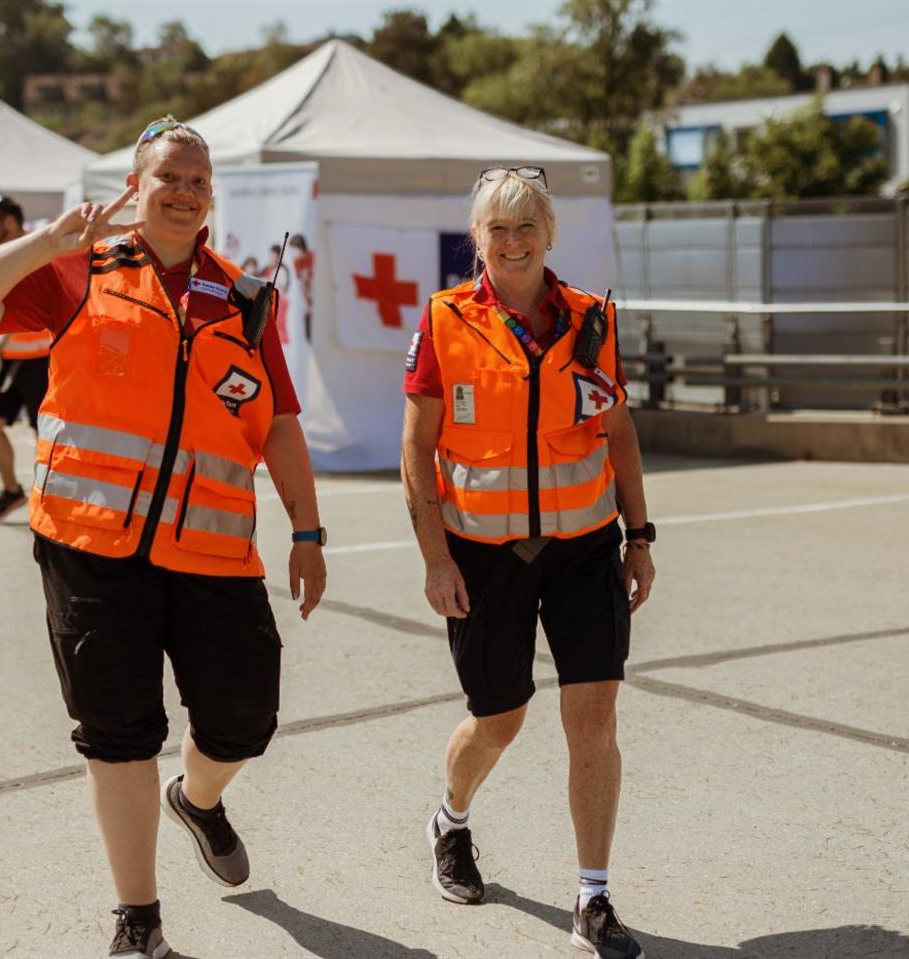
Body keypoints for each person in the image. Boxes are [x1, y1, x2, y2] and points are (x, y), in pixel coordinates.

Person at [0, 117, 328, 959]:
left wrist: (307, 527)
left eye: (197, 179)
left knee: (242, 720)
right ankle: (139, 916)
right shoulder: (79, 269)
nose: (183, 192)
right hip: (88, 547)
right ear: (135, 186)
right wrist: (46, 241)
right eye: (167, 178)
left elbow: (281, 423)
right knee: (116, 732)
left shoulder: (246, 297)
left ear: (210, 193)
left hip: (213, 553)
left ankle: (199, 795)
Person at [400, 166, 656, 959]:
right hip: (483, 556)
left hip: (584, 550)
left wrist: (639, 535)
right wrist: (436, 559)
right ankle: (451, 817)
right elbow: (415, 447)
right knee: (498, 718)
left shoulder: (591, 319)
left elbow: (616, 435)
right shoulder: (443, 320)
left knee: (594, 718)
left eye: (524, 227)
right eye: (495, 229)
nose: (511, 243)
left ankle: (593, 896)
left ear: (549, 234)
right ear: (474, 239)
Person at [0, 195, 51, 522]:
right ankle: (12, 491)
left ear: (10, 223)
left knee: (45, 434)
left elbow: (43, 305)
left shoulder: (38, 250)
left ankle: (51, 500)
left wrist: (3, 338)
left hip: (40, 359)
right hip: (4, 360)